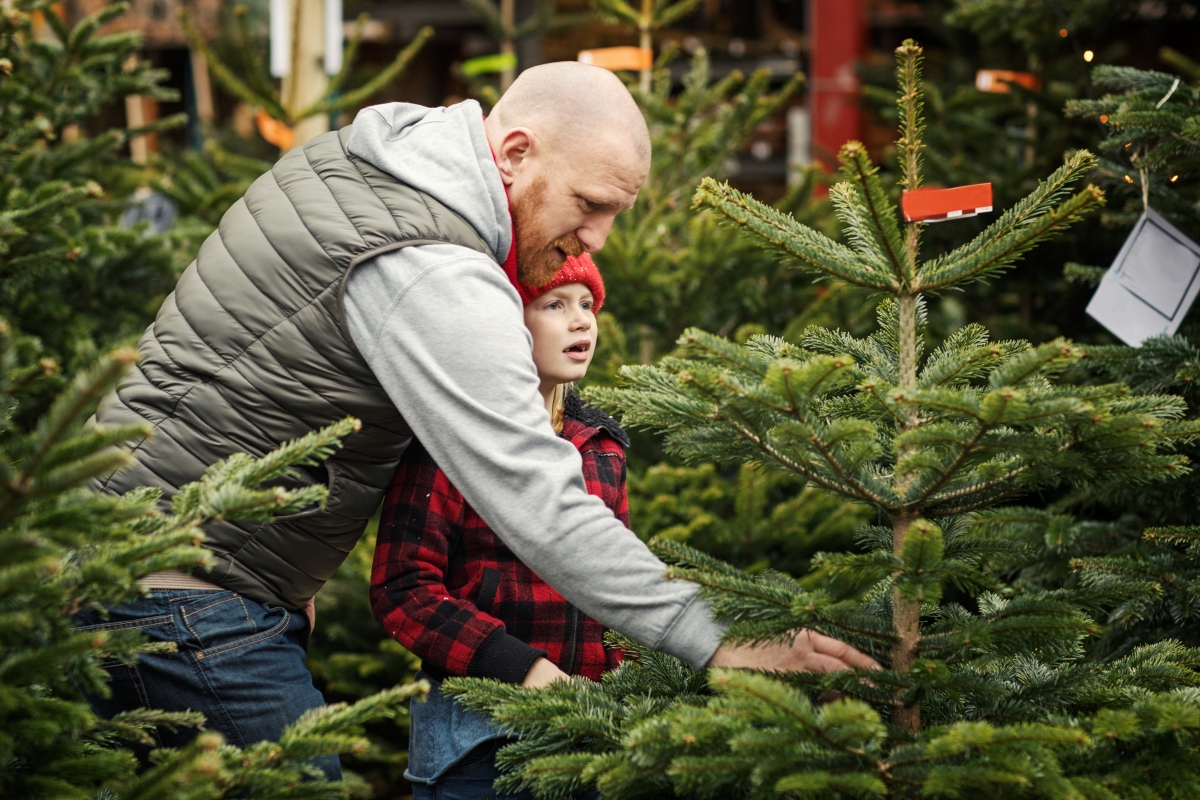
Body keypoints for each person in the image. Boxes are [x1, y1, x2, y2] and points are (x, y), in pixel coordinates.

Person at [81, 62, 879, 776]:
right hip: (183, 591)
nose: (596, 238)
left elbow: (248, 372)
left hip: (161, 562)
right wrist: (722, 638)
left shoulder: (361, 162)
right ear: (515, 152)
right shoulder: (433, 265)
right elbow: (536, 494)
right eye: (589, 204)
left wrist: (281, 569)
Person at [373, 253, 623, 797]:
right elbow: (403, 589)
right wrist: (521, 668)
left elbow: (618, 584)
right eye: (555, 304)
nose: (581, 320)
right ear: (507, 320)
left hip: (588, 735)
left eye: (587, 304)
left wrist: (627, 693)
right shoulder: (452, 435)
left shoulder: (601, 444)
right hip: (478, 746)